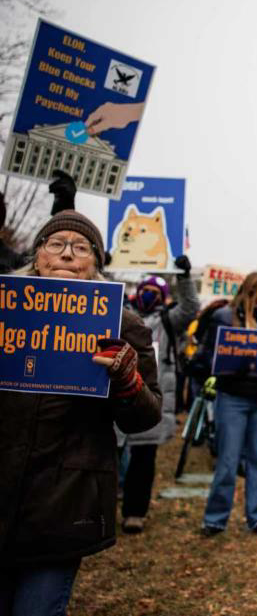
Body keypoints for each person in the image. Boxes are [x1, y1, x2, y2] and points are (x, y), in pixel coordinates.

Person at [0, 210, 161, 615]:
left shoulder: (124, 325)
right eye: (56, 244)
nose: (67, 255)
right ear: (38, 257)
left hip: (63, 500)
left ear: (95, 264)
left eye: (81, 247)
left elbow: (145, 417)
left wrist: (128, 381)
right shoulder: (5, 311)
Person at [118, 261, 199, 534]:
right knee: (108, 454)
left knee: (143, 459)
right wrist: (103, 269)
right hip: (116, 391)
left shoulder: (168, 321)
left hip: (149, 394)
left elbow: (190, 308)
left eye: (155, 290)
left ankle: (134, 512)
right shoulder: (121, 314)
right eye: (146, 289)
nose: (149, 294)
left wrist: (185, 277)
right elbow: (98, 300)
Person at [200, 272, 257, 536]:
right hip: (232, 397)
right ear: (254, 290)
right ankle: (215, 519)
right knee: (227, 460)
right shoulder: (225, 316)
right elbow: (209, 355)